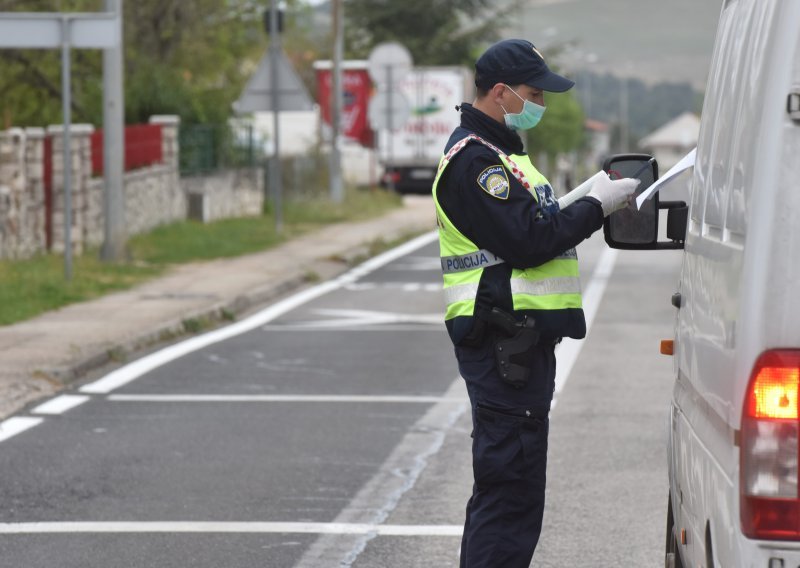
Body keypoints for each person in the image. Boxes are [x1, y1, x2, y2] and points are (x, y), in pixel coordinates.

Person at [431, 39, 639, 567]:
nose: (540, 104)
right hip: (503, 345)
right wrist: (597, 205)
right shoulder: (476, 164)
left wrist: (583, 199)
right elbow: (527, 241)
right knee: (507, 496)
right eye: (532, 93)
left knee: (515, 493)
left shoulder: (503, 156)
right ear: (500, 94)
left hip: (518, 346)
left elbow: (533, 227)